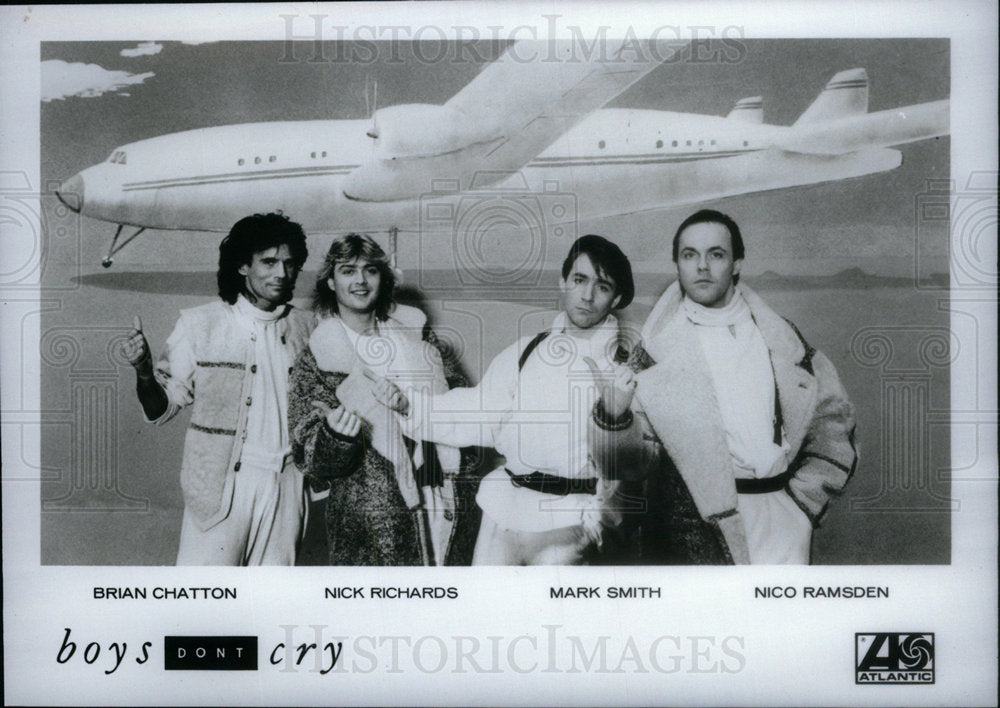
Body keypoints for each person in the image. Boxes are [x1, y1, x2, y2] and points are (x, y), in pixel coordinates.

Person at [622, 209, 857, 564]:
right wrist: (611, 417)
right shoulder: (653, 353)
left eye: (716, 254)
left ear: (736, 264)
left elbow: (832, 422)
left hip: (783, 521)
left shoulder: (781, 337)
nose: (702, 266)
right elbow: (632, 461)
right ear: (677, 265)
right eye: (690, 255)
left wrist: (802, 507)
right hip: (697, 532)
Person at [393, 235, 641, 565]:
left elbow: (633, 469)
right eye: (579, 280)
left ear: (617, 298)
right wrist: (409, 406)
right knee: (488, 611)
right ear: (563, 282)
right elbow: (475, 412)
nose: (587, 295)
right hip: (503, 510)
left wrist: (602, 520)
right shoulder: (526, 351)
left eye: (603, 286)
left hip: (570, 521)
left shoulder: (626, 371)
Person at [123, 212, 314, 565]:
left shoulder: (308, 327)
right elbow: (160, 410)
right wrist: (145, 374)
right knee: (206, 600)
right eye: (269, 262)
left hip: (289, 486)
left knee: (274, 604)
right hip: (222, 488)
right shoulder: (200, 323)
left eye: (289, 264)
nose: (281, 273)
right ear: (243, 266)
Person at [286, 233, 478, 566]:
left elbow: (466, 413)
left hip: (440, 498)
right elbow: (310, 459)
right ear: (331, 282)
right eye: (347, 270)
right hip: (371, 521)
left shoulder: (419, 338)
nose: (360, 280)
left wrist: (412, 408)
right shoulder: (317, 355)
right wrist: (336, 436)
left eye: (370, 270)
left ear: (382, 277)